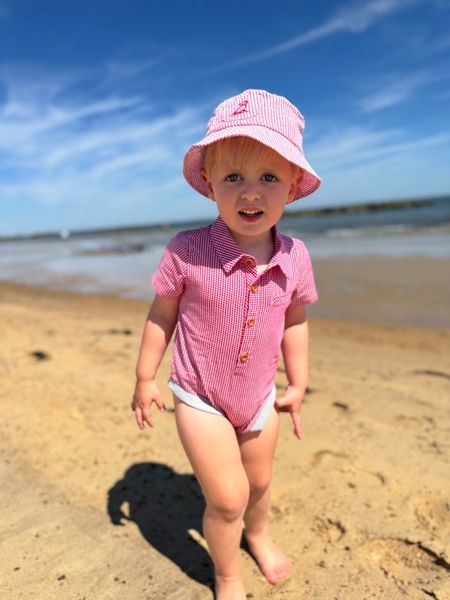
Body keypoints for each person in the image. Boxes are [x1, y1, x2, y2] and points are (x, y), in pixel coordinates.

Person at [131, 89, 321, 600]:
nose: (250, 192)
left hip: (260, 394)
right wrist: (146, 376)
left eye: (268, 177)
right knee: (229, 496)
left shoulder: (296, 256)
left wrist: (298, 382)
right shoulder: (188, 251)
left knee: (258, 484)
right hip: (200, 395)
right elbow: (162, 314)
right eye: (233, 177)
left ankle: (258, 536)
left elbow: (295, 321)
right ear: (210, 184)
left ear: (293, 184)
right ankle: (227, 575)